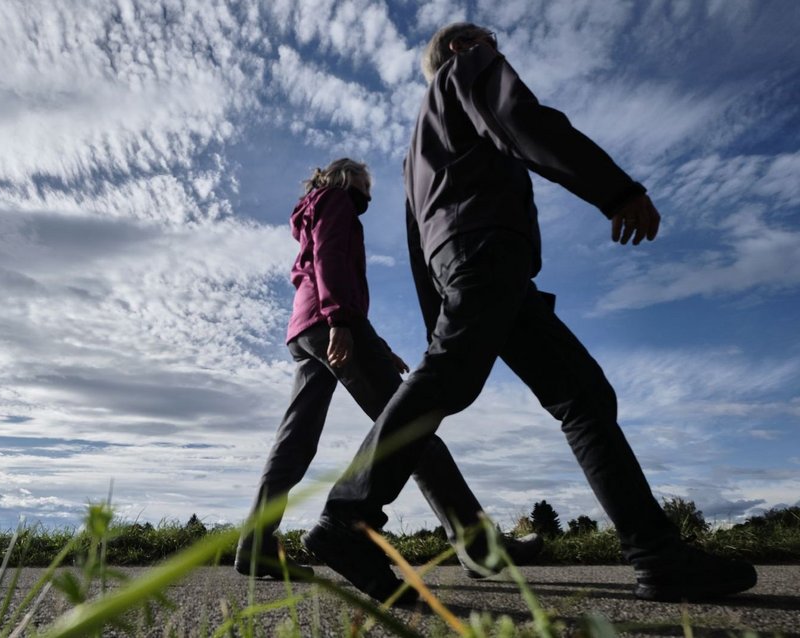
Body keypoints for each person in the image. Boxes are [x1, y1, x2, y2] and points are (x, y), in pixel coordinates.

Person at [301, 24, 757, 603]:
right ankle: (347, 517)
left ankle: (657, 554)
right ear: (463, 45)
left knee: (581, 394)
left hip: (480, 269)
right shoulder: (469, 67)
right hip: (489, 252)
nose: (496, 47)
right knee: (458, 380)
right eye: (487, 39)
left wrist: (437, 316)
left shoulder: (416, 147)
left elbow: (419, 244)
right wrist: (614, 189)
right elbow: (521, 119)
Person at [236, 158, 542, 598]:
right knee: (412, 425)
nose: (369, 191)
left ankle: (255, 545)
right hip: (330, 322)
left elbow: (321, 269)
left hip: (303, 331)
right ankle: (478, 545)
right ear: (345, 176)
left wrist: (374, 343)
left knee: (294, 441)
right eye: (365, 181)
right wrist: (341, 321)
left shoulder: (312, 209)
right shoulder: (336, 200)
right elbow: (329, 258)